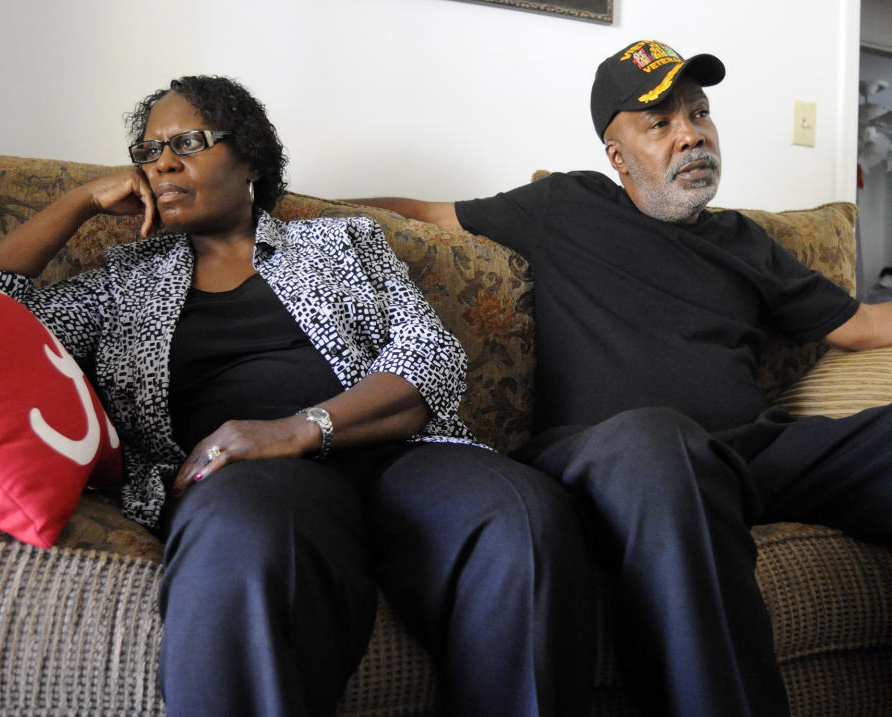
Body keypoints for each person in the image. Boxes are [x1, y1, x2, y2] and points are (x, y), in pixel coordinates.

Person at [0, 76, 596, 716]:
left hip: (395, 452)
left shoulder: (341, 243)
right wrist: (79, 203)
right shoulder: (123, 283)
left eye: (189, 141)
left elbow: (429, 356)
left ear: (253, 160)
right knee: (246, 531)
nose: (164, 163)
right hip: (252, 480)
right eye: (151, 152)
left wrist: (300, 427)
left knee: (520, 512)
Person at [350, 40, 892, 716]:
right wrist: (270, 205)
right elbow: (426, 215)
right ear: (617, 154)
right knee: (658, 439)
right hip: (609, 454)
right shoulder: (564, 204)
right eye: (660, 123)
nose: (691, 133)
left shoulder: (745, 241)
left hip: (744, 454)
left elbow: (863, 328)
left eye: (698, 113)